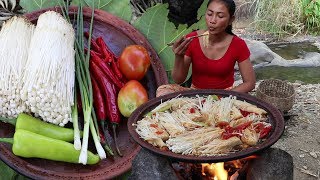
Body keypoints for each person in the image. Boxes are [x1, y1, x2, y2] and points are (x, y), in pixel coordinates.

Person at [156, 0, 255, 97]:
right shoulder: (192, 39)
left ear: (230, 20)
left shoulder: (238, 44)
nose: (212, 20)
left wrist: (225, 97)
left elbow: (250, 83)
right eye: (209, 14)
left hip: (225, 95)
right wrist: (179, 56)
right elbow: (178, 80)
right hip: (196, 94)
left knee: (246, 98)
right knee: (163, 91)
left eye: (220, 16)